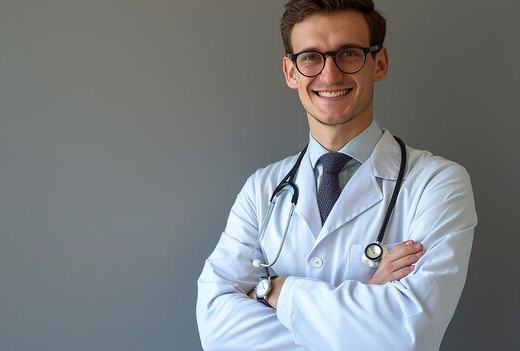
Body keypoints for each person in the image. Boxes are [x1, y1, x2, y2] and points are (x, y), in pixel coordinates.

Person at [196, 0, 477, 350]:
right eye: (311, 57)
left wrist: (275, 290)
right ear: (291, 72)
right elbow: (216, 329)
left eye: (348, 53)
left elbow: (408, 335)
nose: (330, 75)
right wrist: (371, 303)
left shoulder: (438, 184)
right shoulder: (262, 189)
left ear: (380, 63)